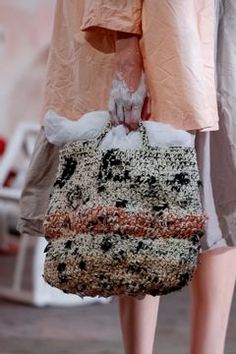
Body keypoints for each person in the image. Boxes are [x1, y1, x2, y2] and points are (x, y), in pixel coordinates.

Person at [17, 1, 236, 354]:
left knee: (222, 194)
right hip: (158, 22)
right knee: (134, 191)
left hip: (216, 22)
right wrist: (125, 43)